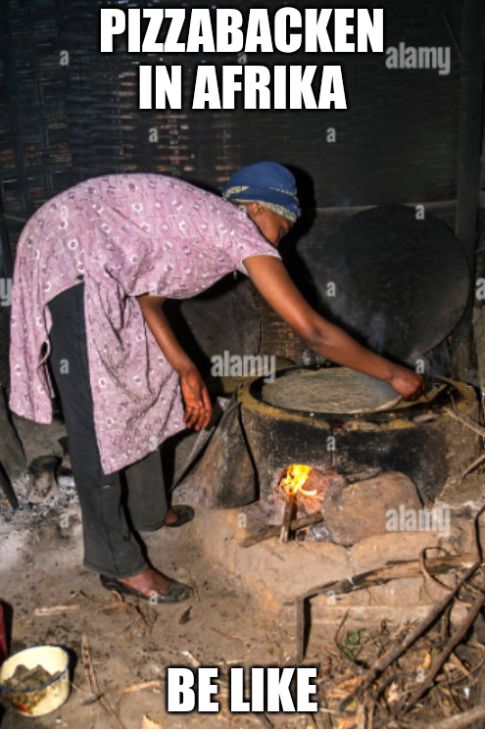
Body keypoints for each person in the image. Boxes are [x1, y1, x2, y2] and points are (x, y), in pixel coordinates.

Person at [9, 162, 422, 603]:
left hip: (101, 261)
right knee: (97, 409)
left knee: (144, 378)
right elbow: (313, 332)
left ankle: (147, 511)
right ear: (258, 208)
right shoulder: (235, 228)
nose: (278, 240)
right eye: (281, 226)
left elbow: (149, 302)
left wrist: (186, 370)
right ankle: (118, 563)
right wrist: (393, 374)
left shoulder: (207, 229)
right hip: (68, 250)